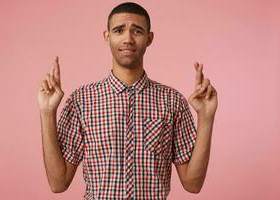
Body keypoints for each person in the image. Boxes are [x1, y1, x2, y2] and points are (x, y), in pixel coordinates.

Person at [37, 2, 218, 199]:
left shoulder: (173, 102)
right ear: (107, 37)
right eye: (119, 30)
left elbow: (193, 184)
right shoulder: (81, 101)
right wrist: (47, 113)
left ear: (149, 38)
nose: (128, 39)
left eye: (137, 31)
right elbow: (58, 182)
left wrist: (206, 117)